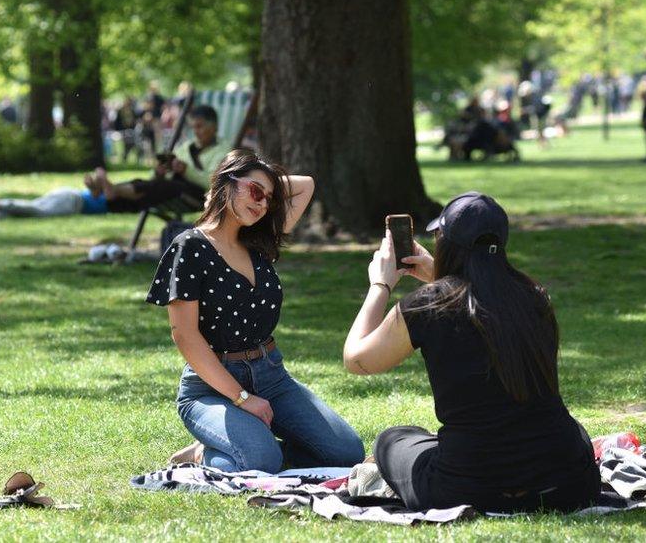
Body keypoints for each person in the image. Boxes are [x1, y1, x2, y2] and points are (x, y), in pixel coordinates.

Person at [342, 192, 600, 513]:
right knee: (571, 431)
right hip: (567, 484)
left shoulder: (427, 305)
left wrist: (380, 285)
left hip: (468, 486)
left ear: (446, 243)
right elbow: (477, 302)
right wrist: (440, 275)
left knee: (393, 439)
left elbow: (357, 359)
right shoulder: (535, 298)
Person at [148, 149, 364, 472]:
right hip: (211, 387)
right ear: (226, 183)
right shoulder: (190, 246)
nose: (262, 203)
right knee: (262, 460)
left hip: (271, 375)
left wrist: (258, 181)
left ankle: (240, 445)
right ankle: (206, 452)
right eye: (255, 192)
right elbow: (185, 336)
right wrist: (242, 399)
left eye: (269, 199)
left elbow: (305, 185)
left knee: (346, 452)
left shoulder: (259, 242)